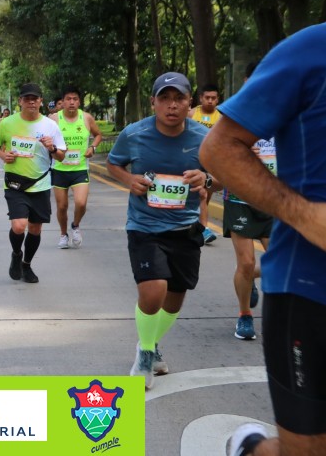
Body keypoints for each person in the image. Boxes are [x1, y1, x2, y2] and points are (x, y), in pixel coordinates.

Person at [201, 13, 326, 456]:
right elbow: (219, 147)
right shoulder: (320, 50)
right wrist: (305, 215)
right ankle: (251, 447)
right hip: (312, 293)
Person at [106, 72, 211, 389]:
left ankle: (148, 343)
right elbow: (113, 164)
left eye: (179, 98)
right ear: (153, 102)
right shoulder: (134, 134)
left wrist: (206, 180)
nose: (172, 105)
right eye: (164, 98)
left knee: (174, 300)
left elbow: (223, 176)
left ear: (190, 103)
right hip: (145, 226)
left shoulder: (205, 138)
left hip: (185, 228)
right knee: (154, 291)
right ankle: (146, 354)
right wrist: (129, 180)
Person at [0, 83, 66, 284]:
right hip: (15, 183)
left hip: (40, 183)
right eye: (27, 98)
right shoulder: (7, 123)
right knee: (19, 225)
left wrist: (51, 148)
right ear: (20, 101)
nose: (31, 102)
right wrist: (3, 155)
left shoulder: (50, 126)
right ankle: (16, 253)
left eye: (35, 98)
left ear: (41, 101)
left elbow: (61, 156)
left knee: (34, 229)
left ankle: (26, 264)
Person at [220, 62, 270, 341]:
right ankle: (244, 316)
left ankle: (248, 278)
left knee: (282, 261)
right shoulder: (233, 114)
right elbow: (216, 151)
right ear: (245, 81)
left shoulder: (285, 112)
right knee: (247, 262)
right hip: (239, 200)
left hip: (275, 199)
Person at [52, 87, 103, 249]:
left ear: (79, 102)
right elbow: (45, 138)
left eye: (75, 99)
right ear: (63, 102)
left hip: (80, 169)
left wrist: (92, 147)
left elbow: (98, 135)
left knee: (81, 203)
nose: (72, 102)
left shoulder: (86, 118)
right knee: (62, 206)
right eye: (68, 99)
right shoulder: (54, 119)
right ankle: (63, 234)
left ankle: (75, 225)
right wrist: (55, 148)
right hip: (59, 169)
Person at [189, 83, 221, 243]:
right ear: (201, 98)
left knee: (205, 195)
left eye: (213, 98)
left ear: (217, 99)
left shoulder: (222, 117)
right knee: (195, 194)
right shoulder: (191, 114)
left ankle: (202, 227)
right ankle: (200, 226)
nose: (210, 100)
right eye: (207, 97)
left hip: (211, 162)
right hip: (192, 159)